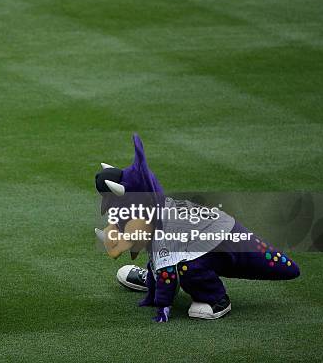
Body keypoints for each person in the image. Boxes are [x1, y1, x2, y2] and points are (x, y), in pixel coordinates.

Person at [95, 134, 300, 323]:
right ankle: (152, 280)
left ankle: (216, 299)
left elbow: (168, 272)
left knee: (188, 267)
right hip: (214, 231)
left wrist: (162, 304)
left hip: (221, 242)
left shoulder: (161, 228)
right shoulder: (157, 215)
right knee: (171, 261)